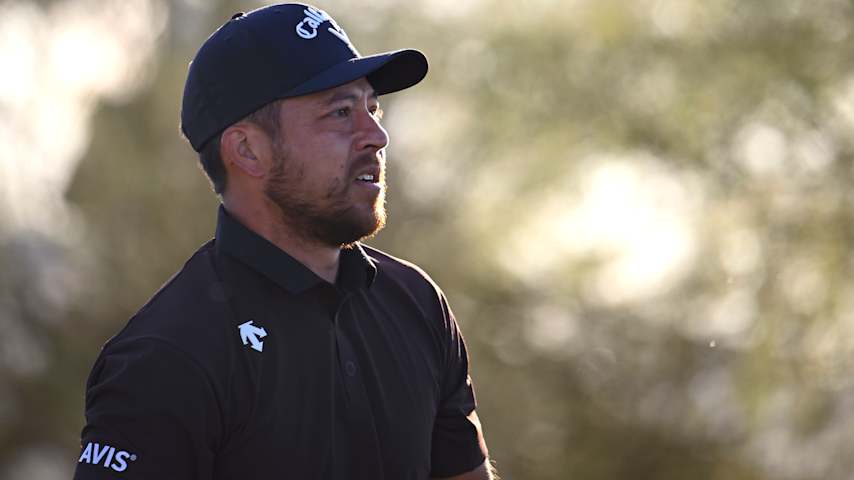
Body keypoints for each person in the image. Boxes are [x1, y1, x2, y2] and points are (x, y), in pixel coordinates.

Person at [74, 3, 493, 479]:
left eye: (372, 108)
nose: (376, 135)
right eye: (341, 112)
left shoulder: (417, 303)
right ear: (248, 150)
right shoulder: (167, 356)